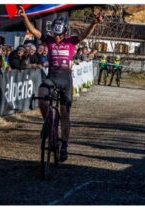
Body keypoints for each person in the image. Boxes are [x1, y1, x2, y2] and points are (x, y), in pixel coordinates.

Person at [20, 7, 103, 161]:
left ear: (65, 33)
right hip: (52, 77)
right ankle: (46, 123)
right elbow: (34, 31)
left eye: (60, 35)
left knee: (65, 114)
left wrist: (94, 23)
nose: (57, 38)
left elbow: (85, 34)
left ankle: (64, 144)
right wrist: (25, 17)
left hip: (66, 80)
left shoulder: (71, 41)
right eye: (55, 35)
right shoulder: (49, 40)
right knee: (42, 96)